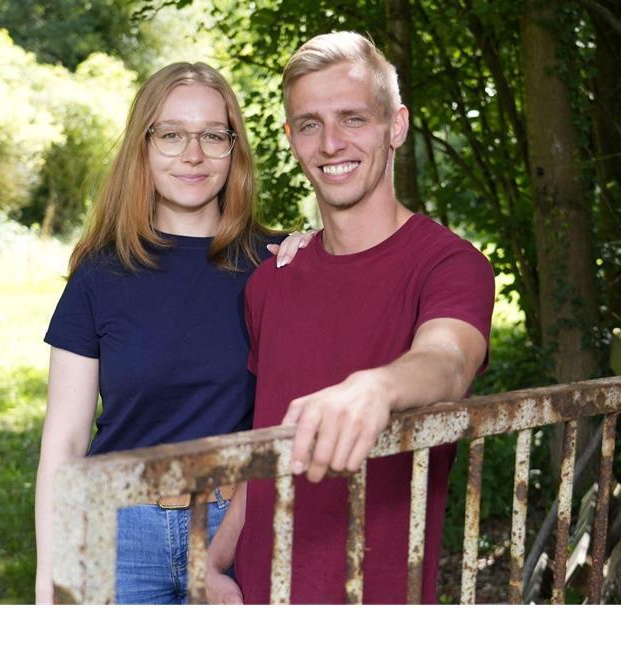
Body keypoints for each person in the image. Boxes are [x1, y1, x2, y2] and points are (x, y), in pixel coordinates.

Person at [206, 32, 495, 604]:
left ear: (396, 126)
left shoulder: (450, 265)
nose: (331, 143)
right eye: (309, 124)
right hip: (259, 597)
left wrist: (377, 387)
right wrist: (213, 565)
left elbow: (448, 360)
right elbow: (268, 444)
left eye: (353, 119)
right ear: (291, 139)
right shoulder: (270, 283)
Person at [34, 62, 309, 604]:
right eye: (171, 134)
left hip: (239, 529)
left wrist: (317, 258)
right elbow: (64, 441)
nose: (193, 154)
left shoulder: (278, 264)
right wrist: (51, 578)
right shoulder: (99, 274)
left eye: (212, 135)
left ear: (234, 149)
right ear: (143, 146)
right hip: (120, 532)